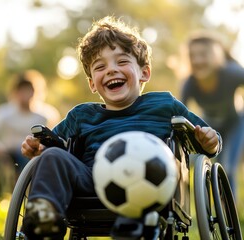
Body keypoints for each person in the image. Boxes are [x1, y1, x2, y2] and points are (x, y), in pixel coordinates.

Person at [20, 16, 222, 239]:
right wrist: (39, 148)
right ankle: (44, 217)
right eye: (100, 67)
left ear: (144, 72)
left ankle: (132, 229)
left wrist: (210, 141)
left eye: (122, 62)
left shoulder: (164, 105)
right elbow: (54, 144)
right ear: (92, 83)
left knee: (137, 170)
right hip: (91, 181)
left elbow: (204, 139)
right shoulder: (82, 115)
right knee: (53, 157)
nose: (111, 70)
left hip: (150, 182)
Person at [181, 31, 244, 199]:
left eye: (203, 55)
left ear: (217, 56)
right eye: (193, 56)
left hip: (236, 123)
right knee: (211, 169)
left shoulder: (232, 73)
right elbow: (179, 113)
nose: (197, 60)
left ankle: (232, 217)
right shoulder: (190, 83)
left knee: (228, 167)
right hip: (211, 125)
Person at [0, 73, 47, 196]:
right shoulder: (4, 113)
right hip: (9, 152)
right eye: (22, 90)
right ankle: (19, 191)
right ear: (15, 92)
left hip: (35, 152)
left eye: (29, 90)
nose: (26, 94)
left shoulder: (44, 115)